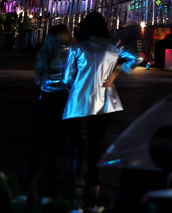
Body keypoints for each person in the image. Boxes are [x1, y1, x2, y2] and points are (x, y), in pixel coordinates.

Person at [62, 11, 141, 203]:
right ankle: (95, 184)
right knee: (97, 143)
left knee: (78, 146)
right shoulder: (113, 46)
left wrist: (76, 85)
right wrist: (116, 73)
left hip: (80, 102)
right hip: (106, 102)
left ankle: (77, 185)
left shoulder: (77, 48)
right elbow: (136, 58)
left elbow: (67, 78)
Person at [22, 24, 72, 198]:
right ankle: (50, 183)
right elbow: (70, 80)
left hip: (45, 100)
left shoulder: (45, 53)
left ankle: (25, 181)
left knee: (37, 143)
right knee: (56, 145)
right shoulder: (69, 54)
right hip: (62, 101)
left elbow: (40, 81)